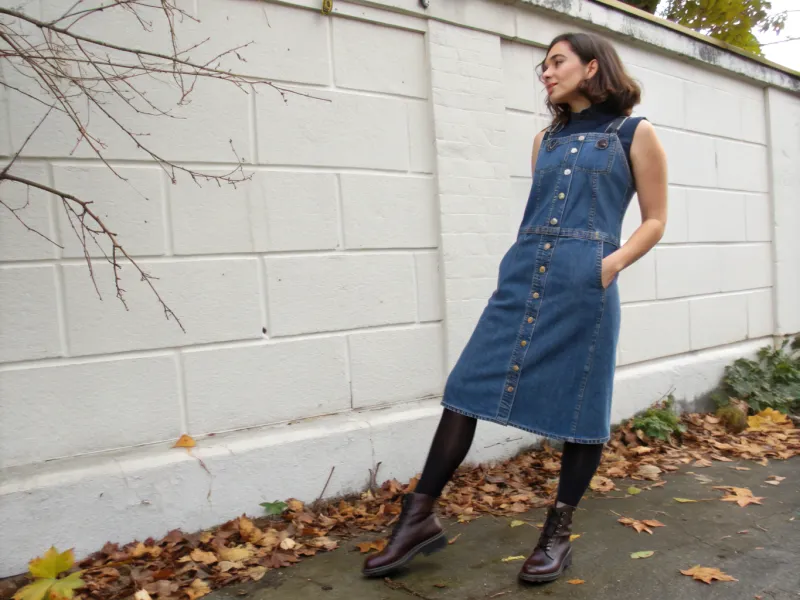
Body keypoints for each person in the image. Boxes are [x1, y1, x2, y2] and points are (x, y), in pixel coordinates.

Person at [362, 32, 668, 583]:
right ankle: (419, 518)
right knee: (465, 389)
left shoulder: (634, 134)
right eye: (543, 65)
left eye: (557, 62)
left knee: (581, 411)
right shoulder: (544, 141)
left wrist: (611, 263)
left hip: (585, 284)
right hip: (523, 275)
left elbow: (655, 219)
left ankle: (556, 535)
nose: (545, 73)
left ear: (592, 66)